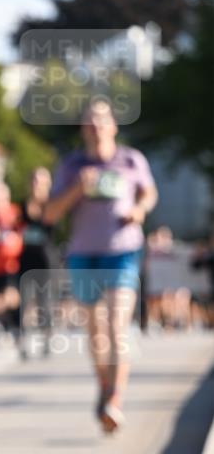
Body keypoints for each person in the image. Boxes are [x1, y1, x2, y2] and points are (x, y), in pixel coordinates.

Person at [44, 99, 158, 432]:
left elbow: (149, 194)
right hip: (84, 254)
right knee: (95, 331)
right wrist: (79, 187)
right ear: (83, 129)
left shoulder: (130, 160)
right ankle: (104, 385)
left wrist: (139, 211)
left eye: (102, 120)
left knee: (117, 327)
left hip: (122, 251)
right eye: (89, 121)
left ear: (113, 126)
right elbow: (50, 213)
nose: (96, 126)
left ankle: (114, 399)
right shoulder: (71, 165)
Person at [17, 167, 54, 359]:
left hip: (45, 259)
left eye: (40, 181)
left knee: (43, 300)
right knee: (23, 300)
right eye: (33, 181)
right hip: (24, 258)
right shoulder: (22, 206)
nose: (36, 185)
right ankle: (22, 338)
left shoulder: (52, 205)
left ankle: (46, 336)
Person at [0, 182, 23, 341]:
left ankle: (6, 324)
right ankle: (4, 325)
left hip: (11, 265)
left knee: (8, 297)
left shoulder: (15, 213)